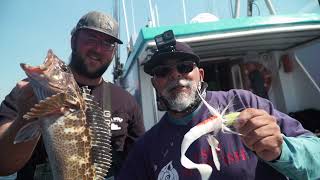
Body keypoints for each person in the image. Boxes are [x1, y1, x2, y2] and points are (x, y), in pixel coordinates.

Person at [117, 32, 320, 180]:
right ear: (155, 84)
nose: (175, 75)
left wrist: (282, 150)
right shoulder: (146, 148)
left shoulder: (243, 103)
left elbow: (316, 155)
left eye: (185, 67)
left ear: (201, 75)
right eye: (162, 71)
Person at [0, 11, 145, 179]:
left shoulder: (127, 102)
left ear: (113, 52)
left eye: (108, 43)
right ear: (73, 41)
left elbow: (139, 164)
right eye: (91, 38)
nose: (98, 49)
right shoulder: (26, 93)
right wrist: (25, 118)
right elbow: (3, 166)